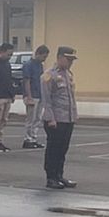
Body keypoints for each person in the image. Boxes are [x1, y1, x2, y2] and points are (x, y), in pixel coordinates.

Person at [40, 46, 80, 189]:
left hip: (67, 118)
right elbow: (47, 100)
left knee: (63, 149)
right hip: (55, 119)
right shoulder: (49, 75)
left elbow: (70, 98)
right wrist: (51, 119)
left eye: (72, 60)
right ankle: (51, 177)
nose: (71, 62)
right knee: (53, 149)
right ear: (60, 57)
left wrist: (74, 115)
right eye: (68, 59)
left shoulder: (68, 74)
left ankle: (59, 175)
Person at [21, 45, 50, 150]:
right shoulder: (28, 65)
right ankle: (28, 139)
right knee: (31, 119)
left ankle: (33, 138)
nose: (44, 59)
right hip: (32, 95)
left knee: (37, 118)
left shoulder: (40, 65)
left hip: (39, 94)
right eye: (43, 57)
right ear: (38, 54)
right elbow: (27, 81)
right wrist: (29, 96)